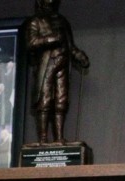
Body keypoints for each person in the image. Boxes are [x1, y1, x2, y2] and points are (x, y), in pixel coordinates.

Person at [25, 0, 89, 144]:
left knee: (61, 100)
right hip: (46, 64)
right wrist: (51, 39)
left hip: (62, 63)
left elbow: (70, 45)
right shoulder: (35, 21)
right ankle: (43, 139)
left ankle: (59, 138)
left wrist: (79, 56)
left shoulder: (62, 21)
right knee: (44, 100)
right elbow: (31, 43)